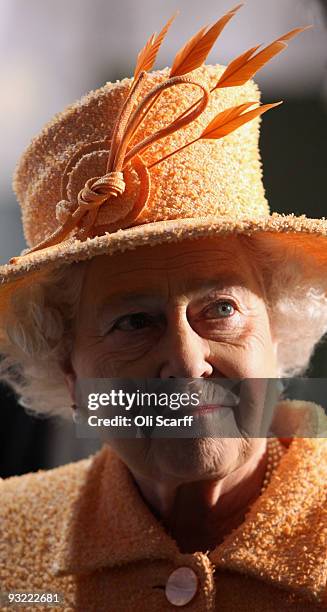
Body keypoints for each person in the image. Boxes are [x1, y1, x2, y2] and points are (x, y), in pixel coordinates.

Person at [0, 8, 326, 611]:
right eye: (134, 322)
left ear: (278, 332)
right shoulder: (7, 551)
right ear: (69, 373)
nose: (185, 360)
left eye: (220, 308)